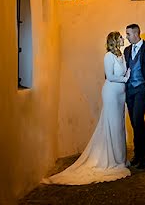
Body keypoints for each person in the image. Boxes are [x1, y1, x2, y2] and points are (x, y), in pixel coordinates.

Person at [43, 31, 131, 185]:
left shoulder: (121, 55)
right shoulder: (108, 56)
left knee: (119, 127)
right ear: (114, 41)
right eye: (120, 38)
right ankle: (111, 159)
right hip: (111, 94)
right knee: (112, 125)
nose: (123, 38)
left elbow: (123, 72)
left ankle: (120, 158)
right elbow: (109, 76)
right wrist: (125, 78)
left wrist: (126, 77)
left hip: (121, 95)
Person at [124, 23, 145, 168]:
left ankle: (142, 158)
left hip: (142, 89)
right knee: (134, 122)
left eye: (128, 34)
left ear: (136, 34)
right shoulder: (127, 50)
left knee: (138, 119)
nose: (127, 37)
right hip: (130, 91)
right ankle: (136, 155)